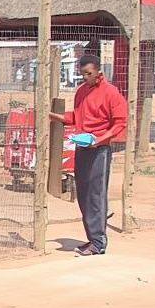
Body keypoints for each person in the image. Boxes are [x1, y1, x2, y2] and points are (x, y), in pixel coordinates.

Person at [48, 54, 128, 257]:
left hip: (99, 150)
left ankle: (99, 242)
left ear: (98, 71)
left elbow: (120, 122)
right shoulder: (81, 91)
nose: (85, 77)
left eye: (89, 73)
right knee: (83, 193)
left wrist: (100, 140)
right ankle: (92, 238)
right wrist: (54, 116)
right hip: (82, 146)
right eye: (82, 73)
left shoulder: (111, 93)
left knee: (96, 194)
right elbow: (77, 117)